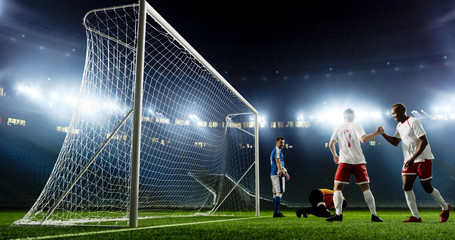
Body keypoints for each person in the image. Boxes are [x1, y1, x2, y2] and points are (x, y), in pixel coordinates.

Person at [379, 102, 450, 222]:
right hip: (409, 160)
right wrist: (382, 134)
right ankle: (416, 217)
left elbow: (423, 141)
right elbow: (396, 142)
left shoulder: (414, 121)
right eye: (392, 114)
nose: (393, 116)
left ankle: (445, 207)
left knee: (427, 188)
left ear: (402, 112)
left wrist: (412, 158)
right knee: (406, 187)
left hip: (422, 158)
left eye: (394, 113)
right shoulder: (399, 126)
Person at [326, 108, 383, 222]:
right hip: (358, 161)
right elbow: (363, 139)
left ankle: (338, 215)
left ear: (343, 117)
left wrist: (335, 155)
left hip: (344, 161)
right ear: (354, 116)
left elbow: (331, 144)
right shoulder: (357, 126)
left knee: (337, 188)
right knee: (366, 188)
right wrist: (377, 133)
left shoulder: (338, 127)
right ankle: (374, 215)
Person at [270, 136, 290, 217]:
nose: (282, 144)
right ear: (276, 142)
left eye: (283, 143)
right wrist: (281, 172)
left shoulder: (274, 151)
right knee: (279, 192)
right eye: (281, 142)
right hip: (278, 174)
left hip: (273, 174)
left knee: (275, 193)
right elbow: (277, 161)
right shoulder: (277, 150)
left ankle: (276, 212)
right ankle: (276, 212)